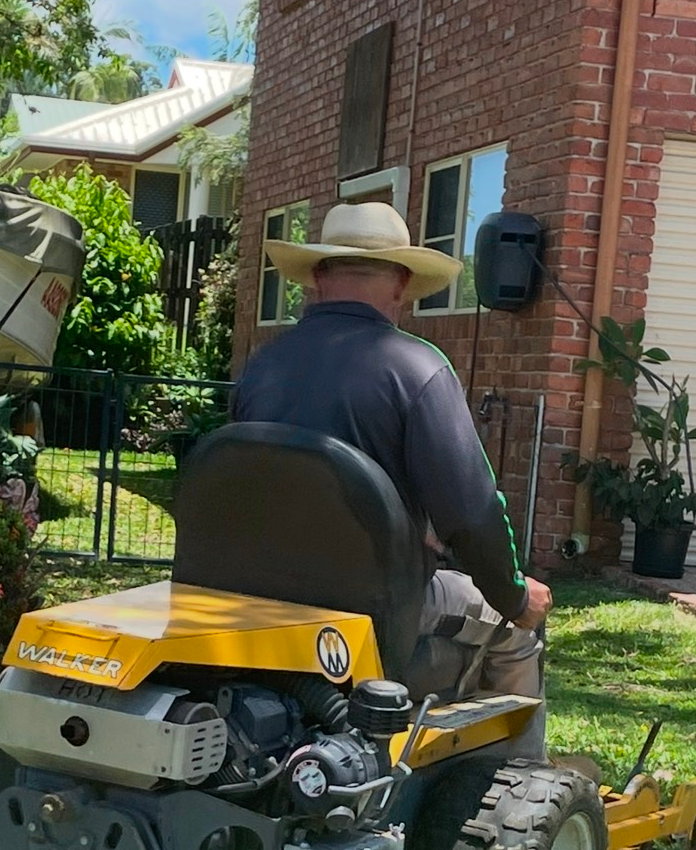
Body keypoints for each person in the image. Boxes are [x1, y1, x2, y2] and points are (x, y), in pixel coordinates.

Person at [232, 201, 552, 759]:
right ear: (403, 284)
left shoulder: (263, 365)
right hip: (376, 614)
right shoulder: (418, 368)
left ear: (314, 278)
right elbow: (473, 512)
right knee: (519, 627)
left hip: (257, 605)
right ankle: (517, 785)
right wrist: (516, 596)